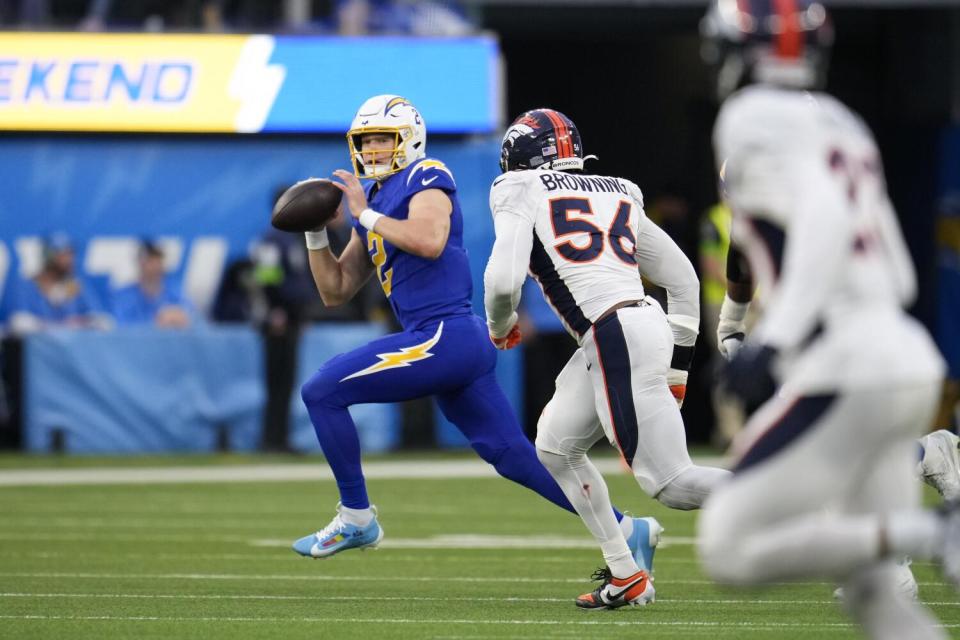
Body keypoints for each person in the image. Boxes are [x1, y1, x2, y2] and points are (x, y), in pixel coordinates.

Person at [290, 95, 659, 570]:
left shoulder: (426, 176)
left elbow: (429, 239)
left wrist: (363, 216)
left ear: (409, 140)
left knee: (322, 390)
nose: (374, 150)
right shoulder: (377, 203)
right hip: (449, 343)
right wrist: (316, 232)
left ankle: (356, 516)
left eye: (384, 139)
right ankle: (630, 530)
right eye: (367, 142)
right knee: (514, 458)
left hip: (446, 334)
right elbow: (335, 289)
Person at [696, 2, 958, 638]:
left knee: (727, 543)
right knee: (879, 592)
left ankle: (936, 528)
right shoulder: (843, 120)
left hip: (845, 364)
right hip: (903, 353)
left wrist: (775, 342)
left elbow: (825, 217)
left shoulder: (749, 117)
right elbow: (896, 270)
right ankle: (932, 495)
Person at [484, 108, 731, 610]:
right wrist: (678, 366)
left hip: (614, 332)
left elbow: (503, 280)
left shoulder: (517, 188)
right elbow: (682, 279)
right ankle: (626, 572)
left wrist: (498, 325)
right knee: (554, 446)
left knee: (672, 483)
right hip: (636, 325)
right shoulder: (619, 188)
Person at [6, 233, 109, 334]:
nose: (70, 260)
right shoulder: (25, 286)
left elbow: (100, 320)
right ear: (48, 257)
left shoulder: (74, 286)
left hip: (70, 349)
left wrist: (80, 323)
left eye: (71, 254)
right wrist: (49, 327)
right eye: (63, 255)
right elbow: (19, 323)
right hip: (36, 348)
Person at [112, 240, 193, 328]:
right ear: (140, 264)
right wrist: (156, 322)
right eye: (150, 262)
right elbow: (120, 325)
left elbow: (194, 318)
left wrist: (180, 317)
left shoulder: (175, 293)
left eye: (158, 262)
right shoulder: (124, 296)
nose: (155, 267)